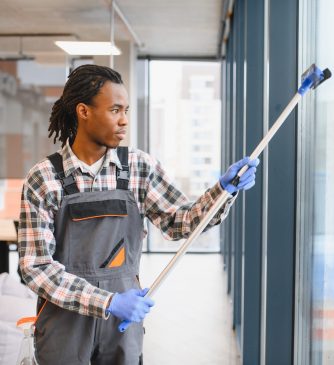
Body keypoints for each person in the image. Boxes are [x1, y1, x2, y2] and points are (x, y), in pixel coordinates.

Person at [18, 64, 259, 365]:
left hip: (122, 325)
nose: (124, 121)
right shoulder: (44, 178)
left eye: (127, 111)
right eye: (115, 110)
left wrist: (224, 190)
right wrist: (108, 302)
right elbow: (35, 267)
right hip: (64, 324)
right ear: (84, 111)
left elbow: (180, 223)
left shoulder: (138, 168)